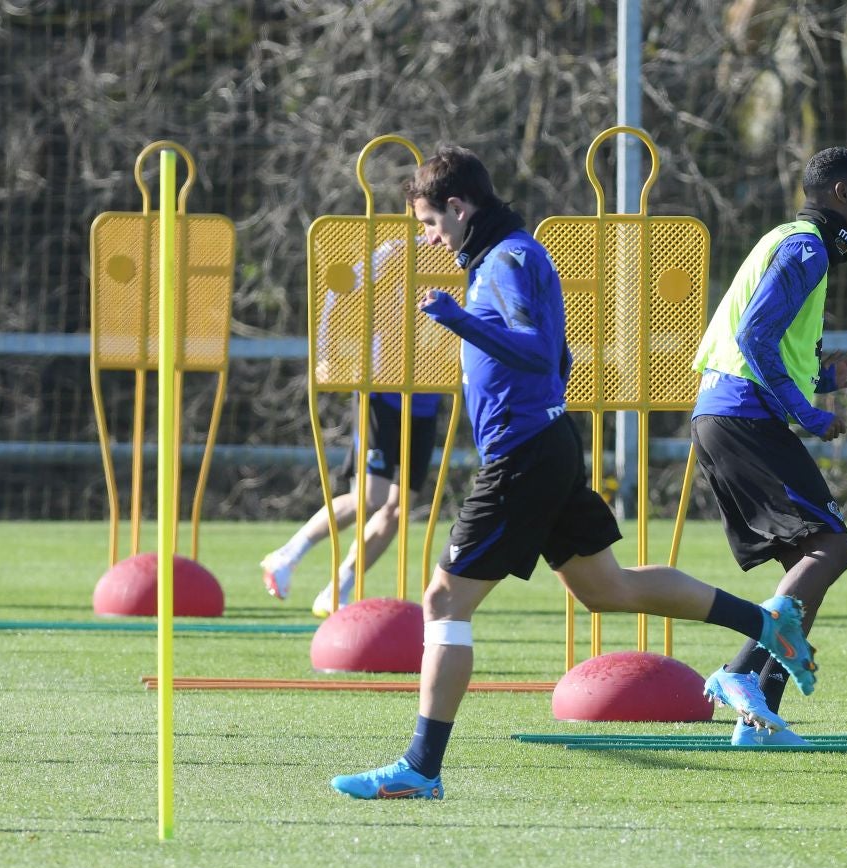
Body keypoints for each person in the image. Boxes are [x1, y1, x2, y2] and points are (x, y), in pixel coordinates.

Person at [331, 145, 817, 799]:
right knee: (605, 587)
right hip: (545, 442)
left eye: (429, 224)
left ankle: (421, 768)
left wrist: (459, 322)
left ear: (457, 206)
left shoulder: (504, 261)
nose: (430, 238)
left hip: (523, 456)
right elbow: (558, 357)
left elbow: (536, 351)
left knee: (443, 600)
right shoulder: (516, 253)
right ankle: (765, 624)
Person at [689, 147, 847, 746]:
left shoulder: (792, 240)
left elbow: (768, 345)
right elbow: (754, 335)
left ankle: (760, 722)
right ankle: (738, 673)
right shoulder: (806, 247)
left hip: (726, 415)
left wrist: (824, 379)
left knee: (808, 569)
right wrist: (808, 413)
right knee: (833, 550)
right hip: (745, 418)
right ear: (840, 195)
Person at [259, 390, 446, 618]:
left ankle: (336, 592)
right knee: (370, 497)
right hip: (382, 397)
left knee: (397, 510)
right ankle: (286, 556)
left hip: (425, 404)